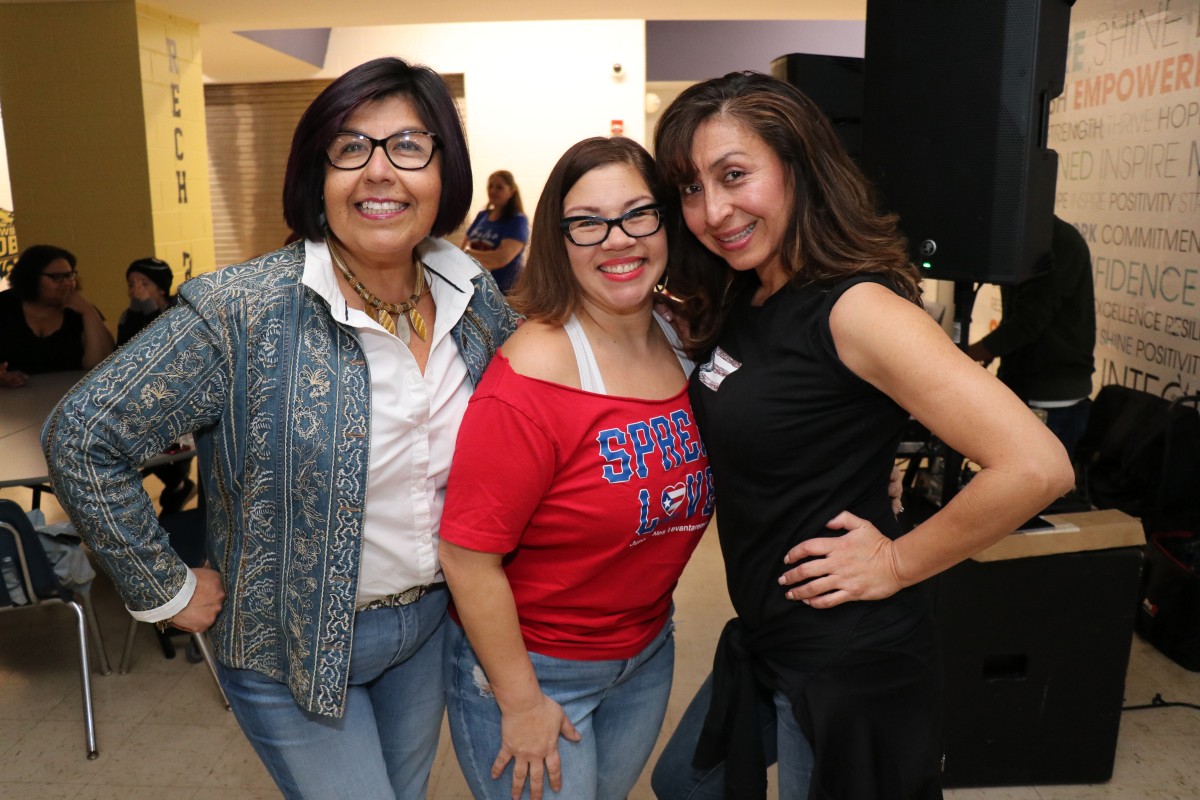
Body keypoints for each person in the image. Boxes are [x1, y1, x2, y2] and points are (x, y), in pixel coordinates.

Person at [42, 57, 518, 800]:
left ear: (444, 170)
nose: (379, 172)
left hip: (430, 627)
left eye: (408, 146)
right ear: (315, 174)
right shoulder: (242, 310)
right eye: (350, 147)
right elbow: (83, 435)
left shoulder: (472, 295)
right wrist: (162, 585)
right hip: (285, 648)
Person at [649, 71, 1074, 799]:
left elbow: (1037, 466)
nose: (713, 211)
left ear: (799, 166)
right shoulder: (750, 294)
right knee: (684, 783)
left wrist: (900, 562)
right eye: (691, 188)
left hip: (845, 658)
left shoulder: (858, 308)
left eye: (734, 175)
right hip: (773, 636)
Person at [439, 137, 714, 800]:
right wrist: (521, 700)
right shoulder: (534, 375)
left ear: (667, 224)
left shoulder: (684, 340)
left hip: (646, 654)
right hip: (535, 670)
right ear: (560, 242)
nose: (616, 240)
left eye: (637, 214)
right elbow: (466, 557)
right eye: (587, 222)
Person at [966, 216, 1096, 460]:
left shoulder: (1059, 242)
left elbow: (1028, 322)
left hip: (1051, 399)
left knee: (1037, 491)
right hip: (1021, 386)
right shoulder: (1024, 242)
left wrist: (967, 356)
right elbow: (1018, 315)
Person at [116, 256, 197, 514]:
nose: (135, 290)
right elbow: (124, 354)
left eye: (143, 283)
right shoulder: (129, 315)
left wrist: (149, 311)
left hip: (179, 394)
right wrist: (140, 312)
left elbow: (163, 351)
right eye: (131, 284)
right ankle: (176, 484)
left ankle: (178, 483)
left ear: (161, 287)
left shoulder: (180, 311)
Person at [0, 244, 114, 388]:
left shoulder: (78, 311)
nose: (67, 283)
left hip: (66, 400)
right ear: (31, 278)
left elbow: (100, 364)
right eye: (57, 277)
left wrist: (88, 312)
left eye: (70, 275)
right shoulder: (5, 306)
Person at [461, 170, 530, 293]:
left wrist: (469, 253)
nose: (493, 191)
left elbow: (501, 258)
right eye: (490, 186)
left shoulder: (517, 221)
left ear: (512, 191)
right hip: (478, 289)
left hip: (506, 292)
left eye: (499, 187)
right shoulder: (482, 216)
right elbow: (463, 249)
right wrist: (468, 254)